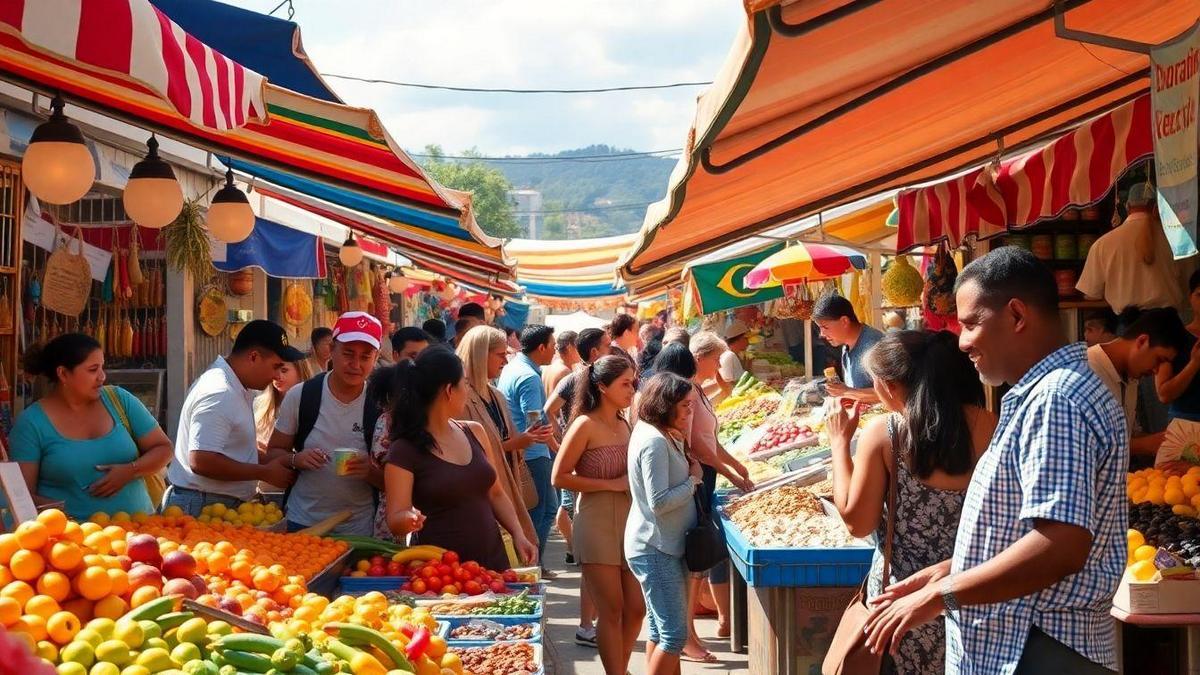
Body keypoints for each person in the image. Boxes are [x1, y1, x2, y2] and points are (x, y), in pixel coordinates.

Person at [865, 246, 1127, 674]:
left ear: (1017, 316)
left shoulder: (1056, 400)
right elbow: (1024, 533)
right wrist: (948, 572)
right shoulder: (1040, 396)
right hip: (1021, 647)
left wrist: (942, 594)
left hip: (1036, 648)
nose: (962, 341)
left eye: (970, 324)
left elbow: (1059, 545)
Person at [825, 330, 996, 674]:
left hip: (899, 608)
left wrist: (839, 444)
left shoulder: (886, 433)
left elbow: (857, 523)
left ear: (890, 386)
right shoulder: (992, 424)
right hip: (972, 598)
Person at [385, 346, 538, 569]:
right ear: (449, 390)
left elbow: (496, 493)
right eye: (465, 383)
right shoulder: (404, 449)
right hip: (441, 573)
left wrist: (518, 533)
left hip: (492, 563)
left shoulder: (474, 431)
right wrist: (408, 518)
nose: (468, 390)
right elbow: (395, 519)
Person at [11, 334, 173, 520]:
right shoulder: (31, 423)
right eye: (92, 369)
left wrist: (131, 470)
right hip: (70, 542)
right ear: (63, 373)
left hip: (141, 531)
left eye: (102, 367)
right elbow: (21, 497)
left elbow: (164, 449)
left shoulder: (119, 400)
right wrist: (55, 509)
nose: (102, 377)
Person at [552, 355, 644, 673]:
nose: (632, 389)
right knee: (612, 609)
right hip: (595, 522)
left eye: (633, 382)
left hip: (631, 524)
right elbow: (559, 476)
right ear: (603, 386)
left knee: (636, 609)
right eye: (625, 383)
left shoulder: (625, 422)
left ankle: (620, 666)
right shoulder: (583, 424)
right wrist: (610, 484)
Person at [165, 321, 302, 515]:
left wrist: (272, 459)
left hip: (215, 503)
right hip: (203, 505)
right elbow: (202, 460)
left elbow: (228, 448)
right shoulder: (220, 391)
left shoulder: (236, 387)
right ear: (253, 357)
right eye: (275, 366)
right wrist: (264, 472)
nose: (276, 375)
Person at [267, 312, 383, 535]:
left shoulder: (381, 406)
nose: (355, 364)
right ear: (331, 350)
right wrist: (295, 459)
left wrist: (370, 472)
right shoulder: (301, 396)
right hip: (302, 522)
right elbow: (272, 452)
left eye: (365, 357)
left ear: (376, 358)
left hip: (359, 528)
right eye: (348, 353)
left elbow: (397, 480)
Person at [672, 336, 752, 657]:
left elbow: (709, 438)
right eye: (716, 359)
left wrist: (734, 465)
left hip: (707, 474)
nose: (719, 365)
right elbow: (698, 446)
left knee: (700, 559)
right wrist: (731, 471)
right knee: (695, 557)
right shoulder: (687, 391)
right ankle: (685, 634)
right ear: (700, 358)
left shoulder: (699, 389)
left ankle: (687, 632)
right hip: (698, 477)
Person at [626, 372, 702, 675]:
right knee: (673, 636)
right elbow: (659, 502)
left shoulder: (656, 434)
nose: (689, 411)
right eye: (685, 405)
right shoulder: (655, 441)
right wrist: (693, 481)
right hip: (655, 546)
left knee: (660, 631)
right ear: (665, 405)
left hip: (660, 543)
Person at [455, 327, 545, 559]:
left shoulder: (495, 395)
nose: (505, 360)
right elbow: (467, 451)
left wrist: (525, 440)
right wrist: (516, 443)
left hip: (505, 486)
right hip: (480, 495)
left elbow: (507, 438)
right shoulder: (460, 397)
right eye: (500, 354)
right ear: (480, 355)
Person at [497, 324, 559, 570]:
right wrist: (549, 438)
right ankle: (533, 564)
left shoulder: (515, 367)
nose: (554, 352)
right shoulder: (530, 377)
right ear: (541, 347)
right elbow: (533, 418)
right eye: (552, 346)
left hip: (524, 450)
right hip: (532, 453)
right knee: (541, 510)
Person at [1077, 182, 1192, 314]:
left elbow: (1091, 294)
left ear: (1127, 206)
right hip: (1168, 324)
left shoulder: (1102, 244)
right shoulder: (1179, 239)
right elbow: (1188, 285)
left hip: (1129, 325)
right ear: (1157, 207)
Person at [1088, 308, 1187, 460]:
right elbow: (1081, 445)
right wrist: (1143, 445)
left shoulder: (1131, 377)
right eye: (1159, 359)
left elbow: (1125, 434)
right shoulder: (1086, 370)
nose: (1156, 370)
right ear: (1142, 341)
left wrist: (1162, 440)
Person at [814, 293, 884, 402]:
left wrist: (846, 392)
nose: (821, 334)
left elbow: (891, 393)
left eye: (825, 327)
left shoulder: (873, 346)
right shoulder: (846, 345)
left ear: (844, 321)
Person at [545, 328, 611, 431]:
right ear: (594, 351)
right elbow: (541, 412)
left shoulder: (605, 376)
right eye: (608, 346)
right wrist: (558, 441)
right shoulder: (571, 376)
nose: (612, 350)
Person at [253, 359, 316, 450]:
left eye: (284, 370)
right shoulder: (260, 404)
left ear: (300, 371)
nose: (277, 376)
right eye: (274, 369)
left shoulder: (313, 404)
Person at [542, 330, 579, 399]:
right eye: (578, 347)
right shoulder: (565, 372)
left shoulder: (550, 366)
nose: (581, 351)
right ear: (570, 348)